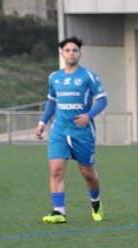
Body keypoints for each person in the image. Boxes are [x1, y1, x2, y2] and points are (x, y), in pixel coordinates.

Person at [34, 36, 108, 224]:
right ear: (62, 53)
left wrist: (88, 116)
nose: (71, 53)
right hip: (59, 129)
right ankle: (59, 212)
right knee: (56, 169)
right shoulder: (54, 77)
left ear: (80, 53)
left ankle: (96, 202)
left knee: (87, 173)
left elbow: (102, 100)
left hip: (82, 131)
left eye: (74, 50)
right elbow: (52, 102)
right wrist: (42, 123)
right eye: (67, 50)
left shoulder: (89, 76)